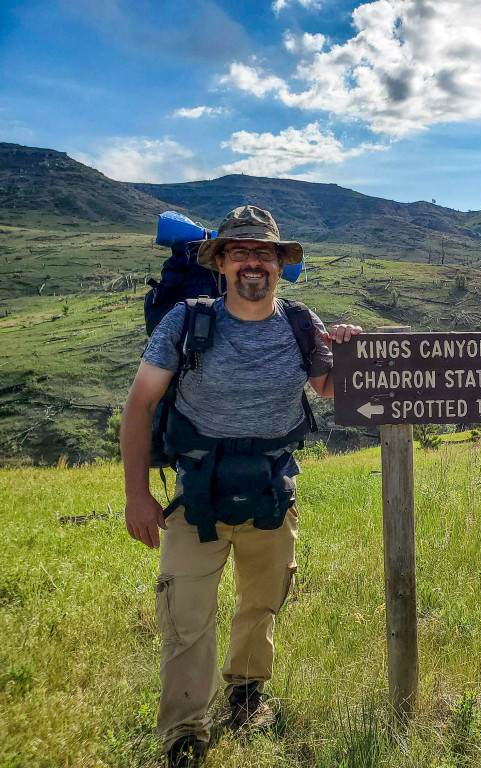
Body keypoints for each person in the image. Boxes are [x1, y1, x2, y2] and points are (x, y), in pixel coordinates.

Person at [120, 205, 361, 767]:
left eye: (264, 252)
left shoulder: (301, 322)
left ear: (280, 264)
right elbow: (140, 403)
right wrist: (136, 494)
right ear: (221, 262)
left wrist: (345, 348)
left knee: (261, 604)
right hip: (195, 495)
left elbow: (326, 387)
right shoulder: (185, 321)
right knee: (186, 616)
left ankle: (247, 694)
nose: (253, 261)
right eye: (240, 251)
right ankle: (183, 731)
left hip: (273, 492)